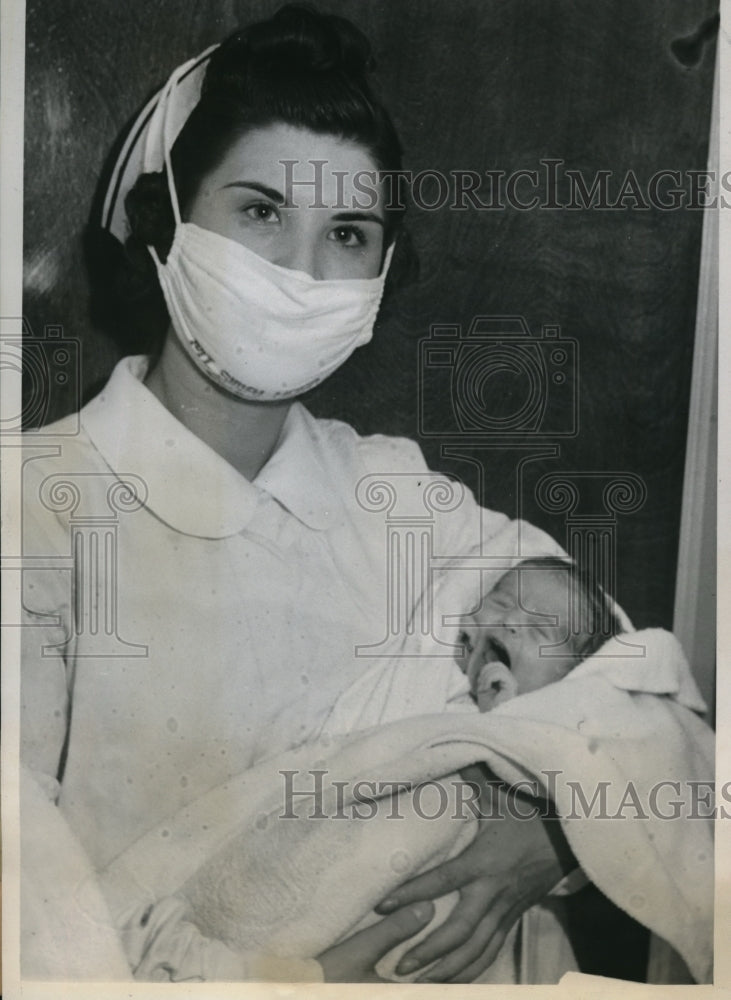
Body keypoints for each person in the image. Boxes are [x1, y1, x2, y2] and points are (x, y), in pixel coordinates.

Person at [20, 3, 713, 985]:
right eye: (260, 211)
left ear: (381, 272)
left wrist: (549, 826)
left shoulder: (393, 493)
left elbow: (628, 680)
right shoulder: (35, 511)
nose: (302, 273)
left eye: (346, 232)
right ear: (165, 222)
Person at [457, 556, 623, 711]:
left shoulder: (538, 722)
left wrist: (500, 713)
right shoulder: (453, 644)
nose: (511, 621)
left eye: (538, 628)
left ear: (567, 677)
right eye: (502, 603)